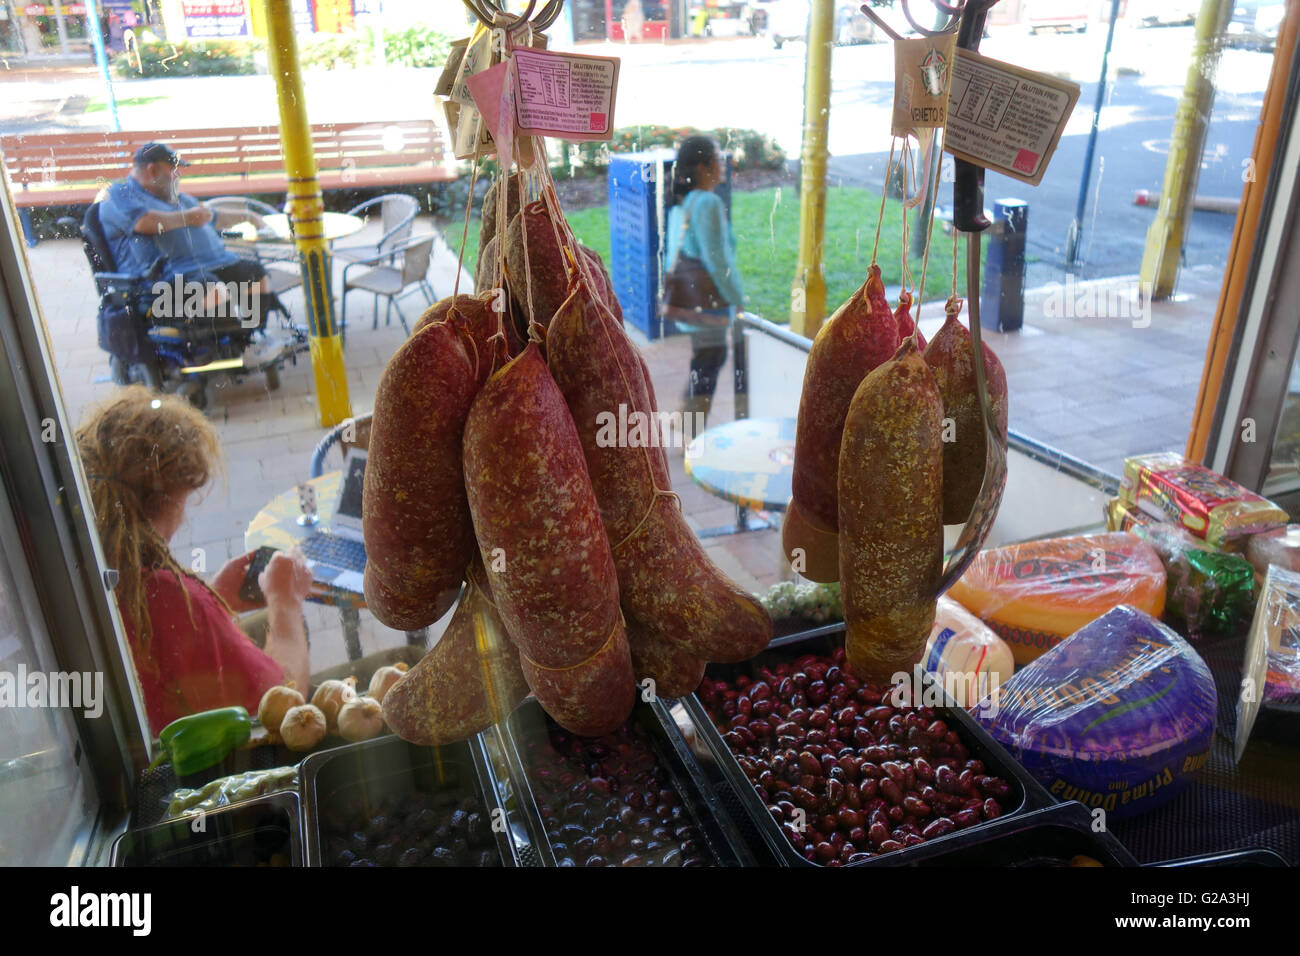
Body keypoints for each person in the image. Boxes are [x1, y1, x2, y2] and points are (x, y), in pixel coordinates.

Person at [76, 386, 312, 734]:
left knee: (262, 619)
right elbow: (283, 704)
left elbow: (169, 643)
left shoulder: (95, 568)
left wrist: (212, 598)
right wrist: (286, 602)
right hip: (222, 760)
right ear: (171, 497)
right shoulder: (163, 594)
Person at [98, 141, 272, 330]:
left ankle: (253, 338)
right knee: (211, 288)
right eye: (173, 169)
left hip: (208, 266)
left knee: (254, 274)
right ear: (152, 171)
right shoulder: (118, 194)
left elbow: (212, 216)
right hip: (160, 280)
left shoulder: (178, 199)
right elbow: (143, 222)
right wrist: (188, 218)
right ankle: (233, 346)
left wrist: (249, 216)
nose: (177, 175)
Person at [664, 135, 744, 424]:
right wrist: (737, 299)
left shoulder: (682, 203)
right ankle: (691, 429)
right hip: (708, 305)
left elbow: (673, 254)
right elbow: (718, 260)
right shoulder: (707, 202)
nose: (723, 165)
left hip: (688, 301)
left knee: (704, 359)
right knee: (710, 362)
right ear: (702, 166)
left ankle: (685, 413)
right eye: (717, 159)